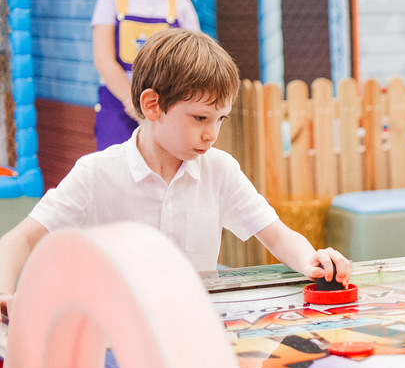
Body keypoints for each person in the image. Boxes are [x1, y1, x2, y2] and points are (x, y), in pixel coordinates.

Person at [0, 29, 351, 300]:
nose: (212, 134)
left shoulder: (220, 169)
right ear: (152, 105)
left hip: (195, 331)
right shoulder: (96, 173)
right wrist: (3, 292)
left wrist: (311, 261)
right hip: (118, 337)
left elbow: (277, 235)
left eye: (221, 119)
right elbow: (20, 239)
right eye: (200, 118)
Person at [91, 0, 200, 150]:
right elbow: (103, 59)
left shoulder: (181, 4)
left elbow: (193, 61)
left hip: (166, 105)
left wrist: (159, 105)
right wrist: (133, 103)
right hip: (118, 102)